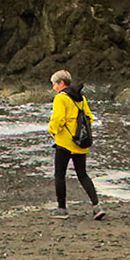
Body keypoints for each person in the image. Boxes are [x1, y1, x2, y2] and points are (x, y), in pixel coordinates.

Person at [47, 69, 104, 219]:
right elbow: (89, 118)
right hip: (80, 142)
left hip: (64, 142)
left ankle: (61, 209)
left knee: (59, 175)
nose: (53, 87)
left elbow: (58, 120)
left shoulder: (61, 98)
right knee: (83, 175)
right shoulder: (81, 98)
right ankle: (96, 207)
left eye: (54, 84)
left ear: (61, 83)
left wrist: (51, 131)